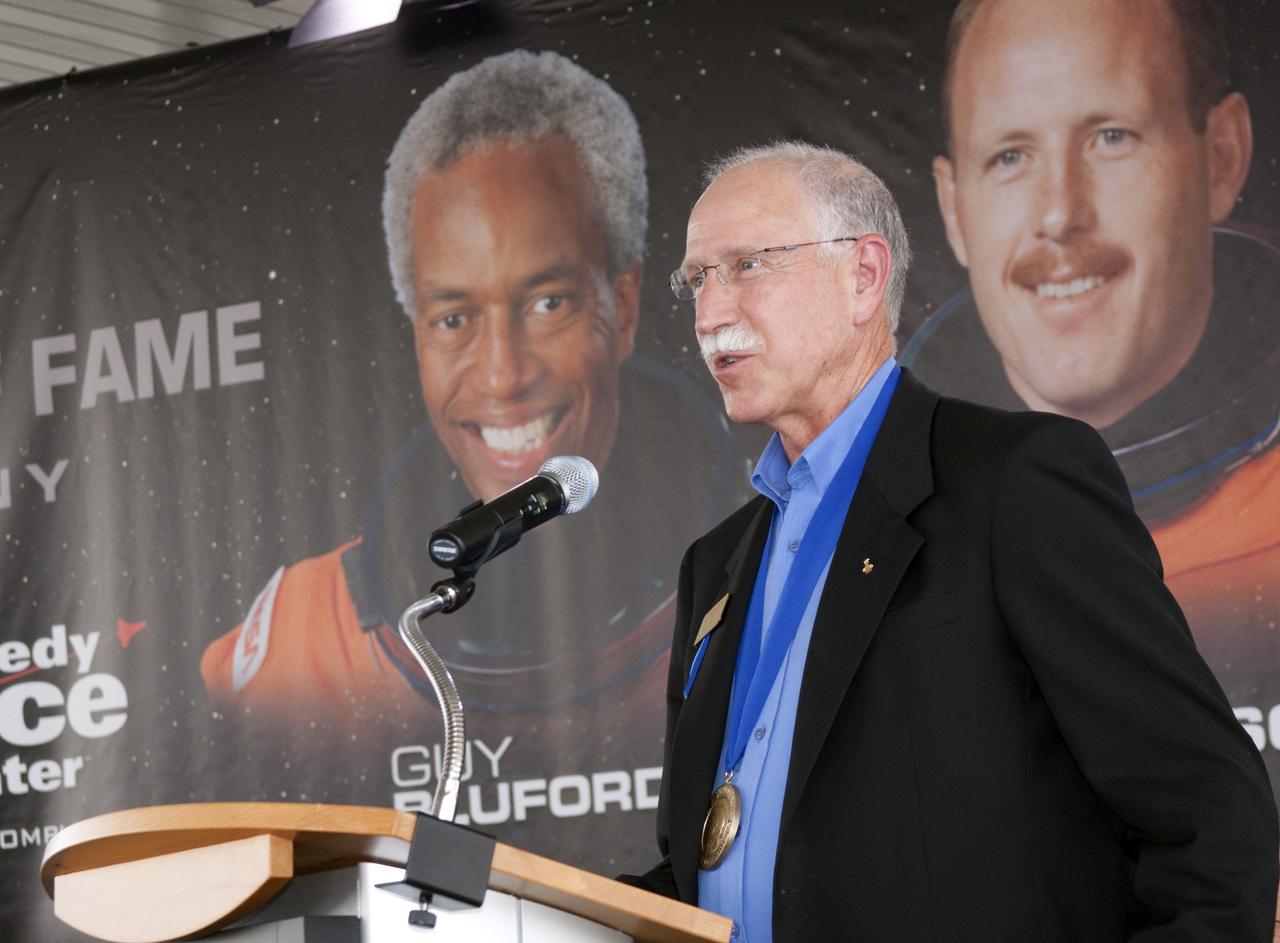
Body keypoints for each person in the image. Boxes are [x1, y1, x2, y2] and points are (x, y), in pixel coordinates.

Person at [621, 142, 1277, 941]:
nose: (710, 313)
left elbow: (1209, 817)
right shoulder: (715, 565)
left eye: (747, 265)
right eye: (697, 279)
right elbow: (707, 874)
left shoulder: (1015, 484)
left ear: (864, 275)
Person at [199, 50, 736, 870]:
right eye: (453, 318)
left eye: (549, 302)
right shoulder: (301, 645)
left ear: (622, 306)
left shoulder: (765, 587)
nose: (500, 376)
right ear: (415, 334)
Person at [915, 0, 1280, 789]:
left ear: (1222, 156)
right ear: (953, 211)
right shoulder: (880, 538)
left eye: (1111, 137)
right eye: (1010, 156)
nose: (1058, 214)